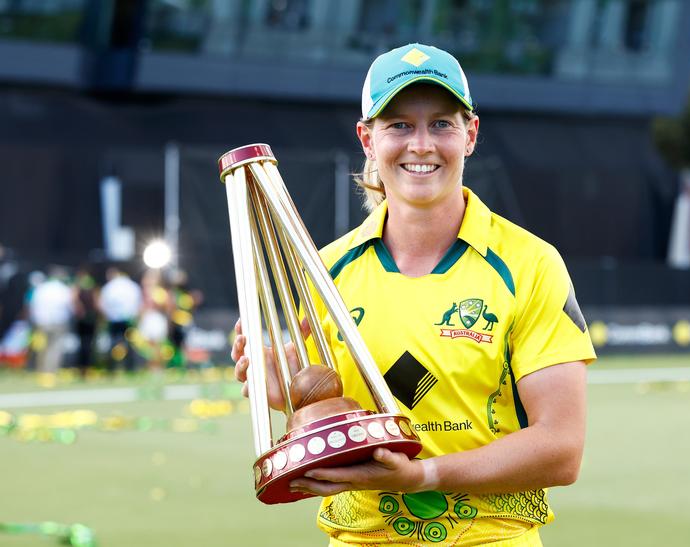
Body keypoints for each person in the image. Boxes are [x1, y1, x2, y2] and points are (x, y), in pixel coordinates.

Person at [232, 43, 596, 546]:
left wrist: (425, 475)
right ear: (367, 138)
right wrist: (287, 398)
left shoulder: (530, 265)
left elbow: (561, 448)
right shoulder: (325, 271)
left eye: (441, 124)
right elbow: (334, 417)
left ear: (470, 134)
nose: (421, 144)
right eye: (399, 125)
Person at [29, 266, 73, 375]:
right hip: (59, 321)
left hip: (42, 322)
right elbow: (70, 305)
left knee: (42, 347)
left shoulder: (41, 288)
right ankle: (50, 372)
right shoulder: (63, 289)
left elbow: (33, 305)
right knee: (55, 347)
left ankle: (40, 370)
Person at [98, 267, 142, 373]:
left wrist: (108, 316)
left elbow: (102, 305)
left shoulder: (109, 287)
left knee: (114, 344)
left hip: (114, 320)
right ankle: (131, 368)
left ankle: (113, 369)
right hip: (129, 319)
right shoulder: (131, 285)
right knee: (130, 344)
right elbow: (139, 303)